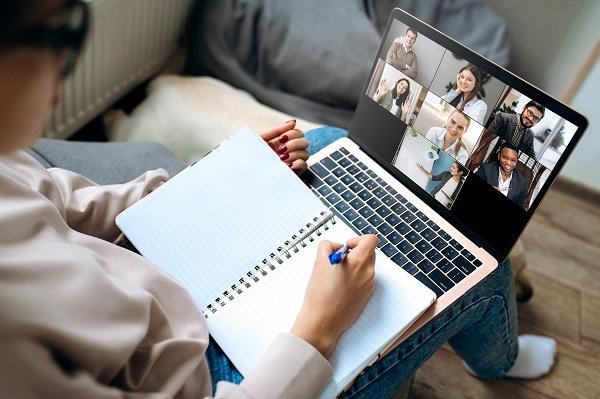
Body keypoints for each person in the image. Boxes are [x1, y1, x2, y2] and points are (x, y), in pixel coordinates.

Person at [0, 1, 557, 398]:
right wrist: (318, 327)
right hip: (221, 378)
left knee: (329, 145)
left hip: (158, 290)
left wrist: (226, 174)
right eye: (60, 31)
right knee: (481, 260)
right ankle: (496, 363)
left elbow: (82, 207)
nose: (61, 62)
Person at [475, 143, 529, 208]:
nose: (508, 163)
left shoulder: (523, 184)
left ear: (516, 161)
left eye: (513, 160)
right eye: (505, 158)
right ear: (499, 156)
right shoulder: (485, 170)